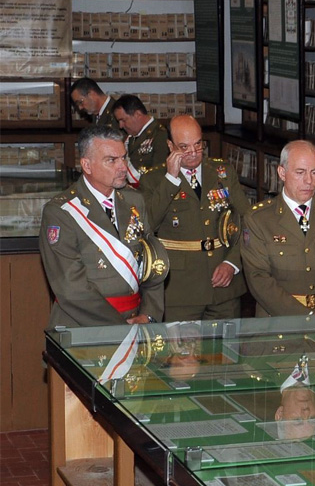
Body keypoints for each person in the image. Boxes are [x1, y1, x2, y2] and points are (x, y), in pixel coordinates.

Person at [39, 125, 168, 328]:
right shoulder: (61, 212)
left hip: (137, 320)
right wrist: (119, 327)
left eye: (123, 158)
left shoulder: (135, 201)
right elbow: (71, 288)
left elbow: (153, 263)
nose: (123, 167)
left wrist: (149, 315)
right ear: (87, 165)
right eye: (112, 160)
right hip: (84, 327)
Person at [139, 115, 252, 321]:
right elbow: (148, 225)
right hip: (181, 291)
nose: (193, 153)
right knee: (183, 353)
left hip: (224, 288)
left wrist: (232, 263)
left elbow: (248, 222)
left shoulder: (222, 172)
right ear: (170, 146)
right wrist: (171, 180)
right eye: (184, 147)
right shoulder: (153, 179)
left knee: (226, 351)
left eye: (198, 144)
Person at [242, 140, 315, 316]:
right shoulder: (259, 219)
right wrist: (304, 319)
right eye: (300, 172)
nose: (309, 181)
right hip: (279, 320)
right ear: (282, 173)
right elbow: (258, 279)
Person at [111, 94, 170, 184]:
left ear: (138, 114)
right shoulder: (129, 137)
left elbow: (160, 174)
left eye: (123, 120)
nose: (120, 125)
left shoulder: (160, 135)